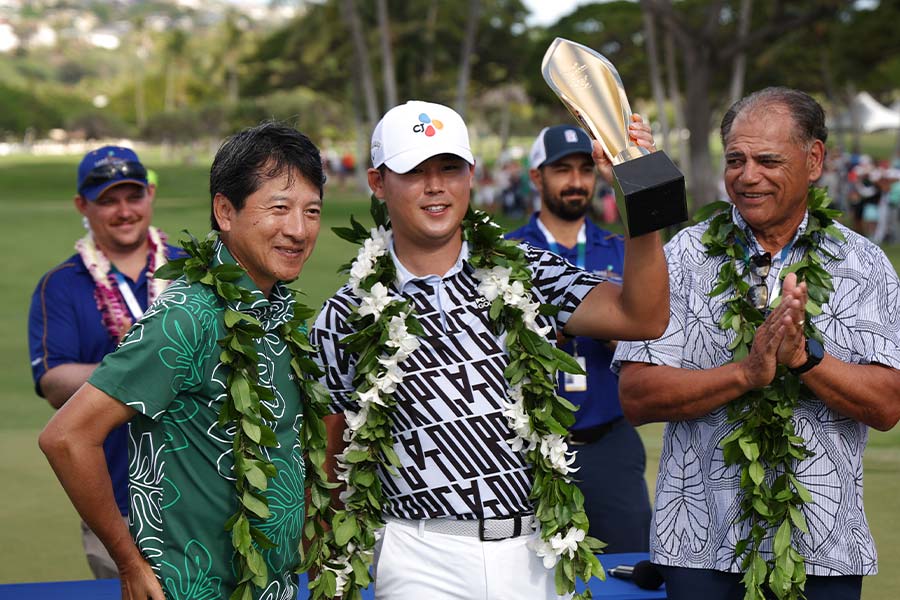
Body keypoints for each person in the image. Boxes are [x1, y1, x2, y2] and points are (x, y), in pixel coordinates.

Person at [311, 100, 670, 599]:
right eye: (414, 171)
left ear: (471, 175)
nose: (435, 186)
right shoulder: (343, 315)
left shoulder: (528, 272)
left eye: (450, 168)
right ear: (377, 182)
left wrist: (640, 195)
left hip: (535, 550)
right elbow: (329, 464)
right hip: (419, 555)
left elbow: (643, 317)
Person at [613, 87, 900, 600]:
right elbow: (637, 397)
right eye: (736, 160)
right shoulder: (682, 257)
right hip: (698, 547)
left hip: (822, 548)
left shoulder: (864, 265)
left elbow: (885, 405)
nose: (747, 177)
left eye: (768, 160)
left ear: (814, 160)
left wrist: (804, 358)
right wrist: (746, 373)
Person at [39, 122, 326, 599]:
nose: (298, 229)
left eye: (311, 211)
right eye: (279, 208)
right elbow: (67, 437)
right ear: (225, 211)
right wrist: (127, 562)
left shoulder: (277, 312)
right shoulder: (188, 314)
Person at [27, 145, 182, 579]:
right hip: (116, 508)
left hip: (204, 497)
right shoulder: (60, 285)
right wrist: (148, 367)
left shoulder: (193, 271)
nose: (124, 210)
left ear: (150, 194)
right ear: (83, 205)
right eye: (108, 200)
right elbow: (54, 381)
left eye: (133, 196)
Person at [506, 124, 652, 553]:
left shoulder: (622, 250)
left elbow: (657, 334)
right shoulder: (506, 253)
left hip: (609, 438)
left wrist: (612, 330)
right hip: (526, 448)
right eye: (562, 170)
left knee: (631, 565)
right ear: (537, 177)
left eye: (585, 170)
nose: (575, 182)